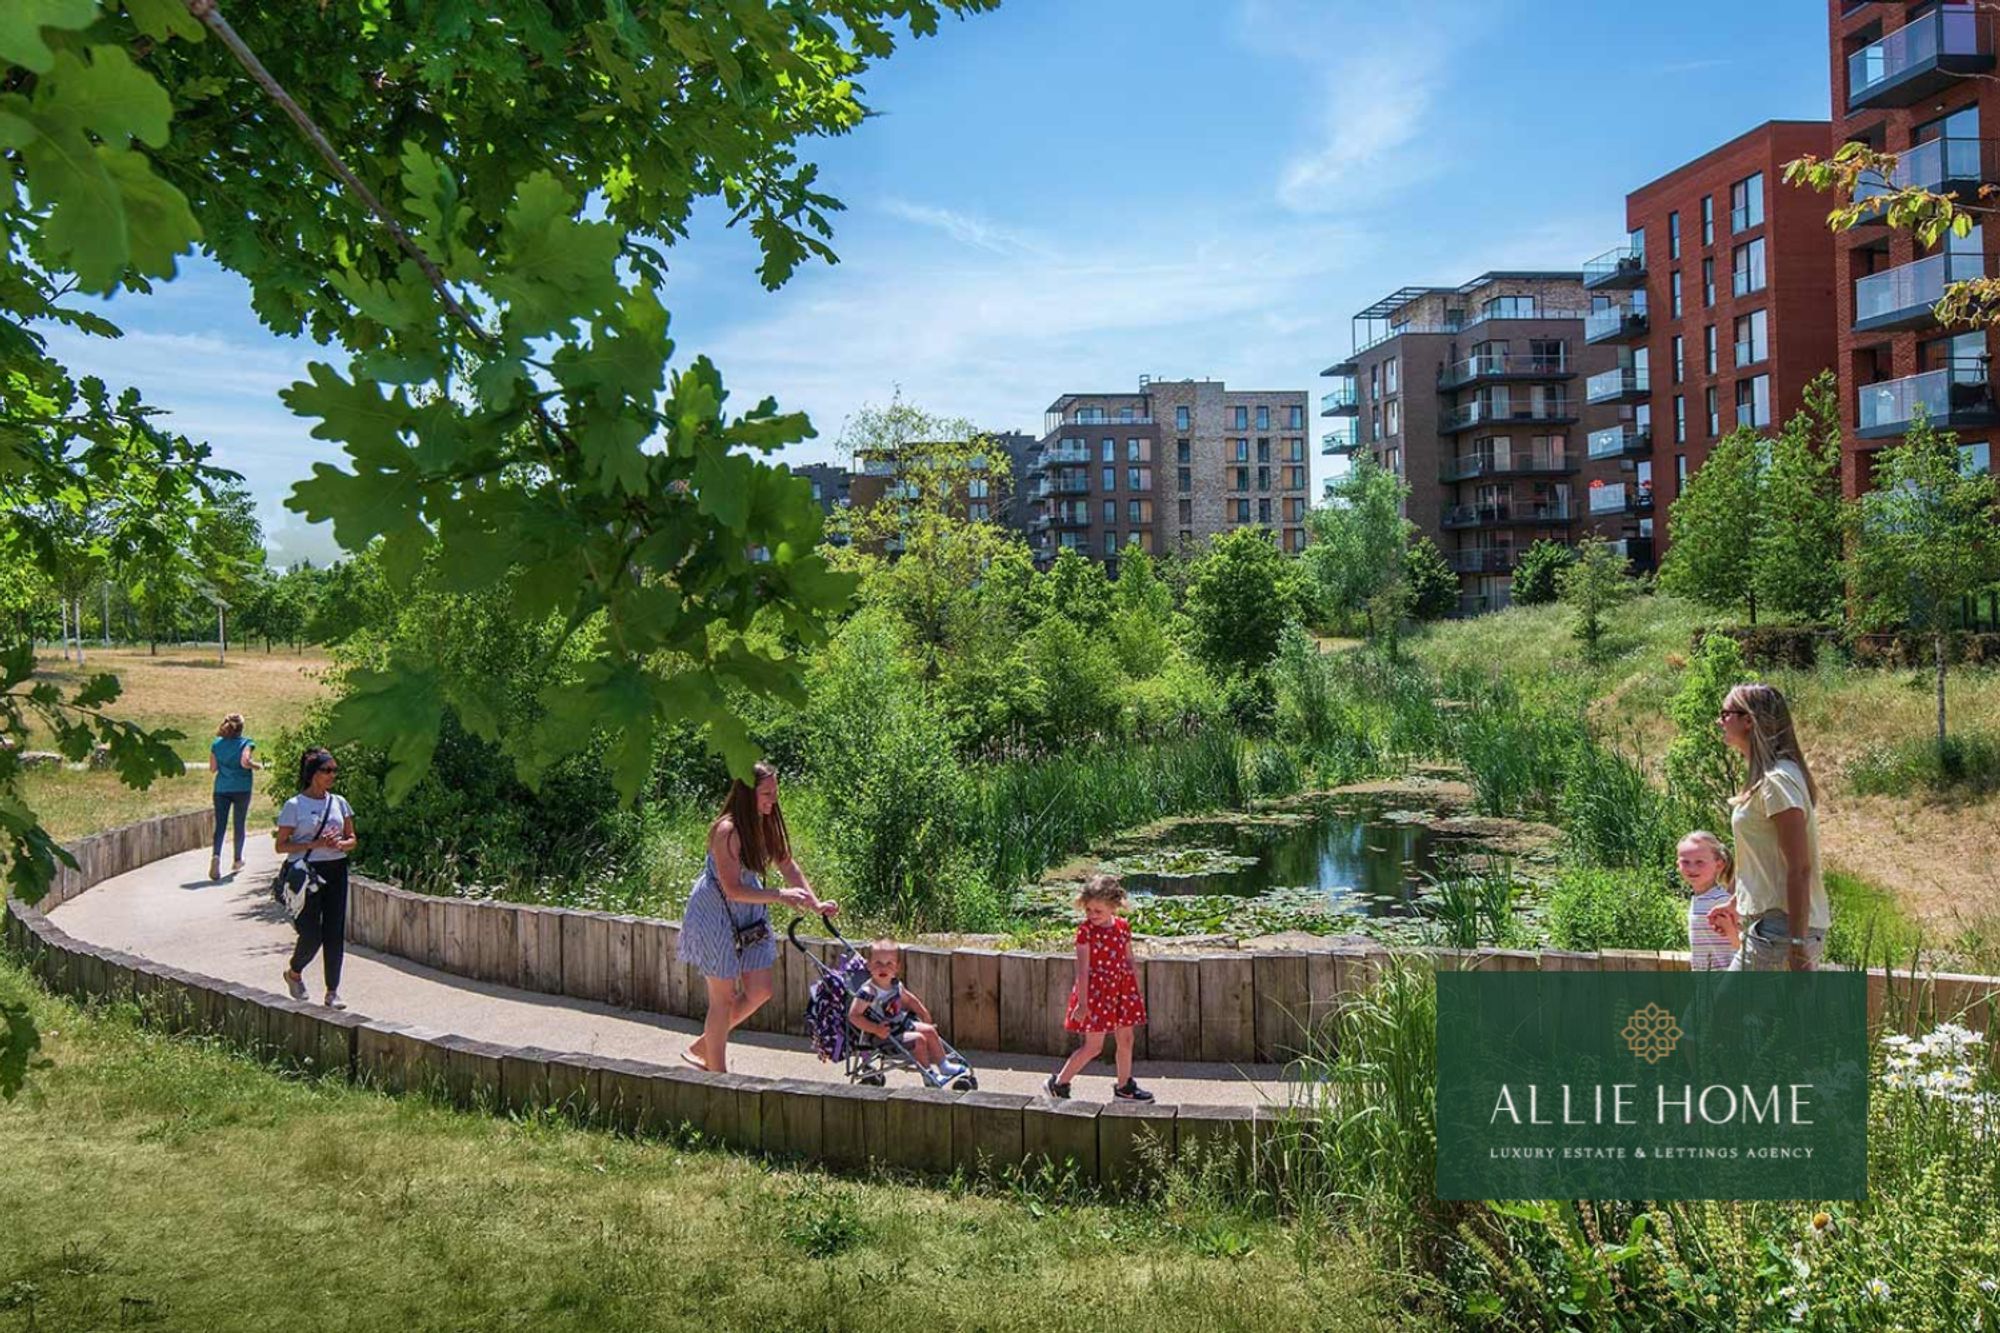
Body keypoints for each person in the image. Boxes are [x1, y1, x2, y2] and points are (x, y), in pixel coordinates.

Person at [678, 762, 836, 1074]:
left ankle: (705, 1045)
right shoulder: (727, 830)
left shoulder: (766, 822)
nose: (773, 800)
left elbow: (787, 865)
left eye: (775, 792)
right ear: (747, 794)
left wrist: (815, 903)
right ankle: (717, 1075)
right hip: (716, 911)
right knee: (723, 998)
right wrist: (780, 895)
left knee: (760, 990)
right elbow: (732, 889)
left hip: (750, 910)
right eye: (767, 793)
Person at [1706, 684, 1830, 972]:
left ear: (1748, 720)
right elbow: (1769, 861)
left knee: (1721, 1003)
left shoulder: (1776, 781)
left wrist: (1796, 944)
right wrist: (1736, 903)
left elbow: (1799, 868)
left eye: (1725, 714)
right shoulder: (1771, 778)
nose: (1719, 721)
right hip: (1773, 928)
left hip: (1781, 931)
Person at [1046, 874, 1153, 1103]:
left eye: (1098, 911)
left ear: (1114, 906)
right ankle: (1059, 1083)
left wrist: (1133, 988)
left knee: (1126, 1039)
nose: (1092, 915)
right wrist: (1082, 1003)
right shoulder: (1086, 931)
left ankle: (1124, 1087)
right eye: (1089, 910)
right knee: (1093, 1046)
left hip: (1122, 990)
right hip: (1096, 994)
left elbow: (1128, 958)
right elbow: (1083, 970)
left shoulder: (1123, 927)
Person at [275, 747, 358, 1008]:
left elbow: (352, 839)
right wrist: (315, 843)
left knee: (334, 931)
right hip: (306, 874)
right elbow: (281, 846)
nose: (332, 775)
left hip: (336, 870)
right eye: (326, 770)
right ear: (313, 773)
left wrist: (340, 844)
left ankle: (332, 991)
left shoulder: (340, 802)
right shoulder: (294, 805)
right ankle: (294, 972)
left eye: (334, 770)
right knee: (311, 934)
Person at [847, 939, 961, 1078]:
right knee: (919, 1039)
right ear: (869, 965)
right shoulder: (868, 992)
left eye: (889, 963)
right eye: (878, 963)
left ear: (897, 967)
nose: (883, 968)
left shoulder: (895, 985)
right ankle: (928, 1074)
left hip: (900, 1025)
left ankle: (944, 1065)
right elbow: (854, 1016)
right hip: (883, 1035)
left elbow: (910, 1000)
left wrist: (923, 1013)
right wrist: (876, 1029)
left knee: (929, 1030)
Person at [208, 713, 261, 881]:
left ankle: (216, 855)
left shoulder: (217, 744)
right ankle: (237, 859)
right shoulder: (246, 743)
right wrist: (256, 766)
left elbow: (212, 768)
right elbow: (245, 762)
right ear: (241, 728)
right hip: (242, 788)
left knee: (220, 825)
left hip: (221, 788)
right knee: (239, 823)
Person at [1678, 830, 1739, 971]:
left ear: (1719, 865)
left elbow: (1742, 944)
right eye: (1685, 862)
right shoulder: (1699, 899)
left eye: (1700, 862)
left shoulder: (1721, 902)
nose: (1692, 868)